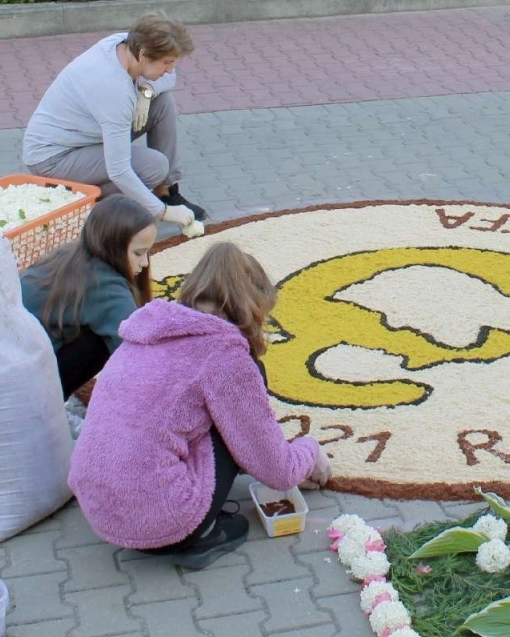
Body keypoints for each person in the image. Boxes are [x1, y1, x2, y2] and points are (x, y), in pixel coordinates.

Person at [68, 241, 334, 570]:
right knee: (243, 409)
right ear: (250, 306)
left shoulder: (149, 327)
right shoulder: (223, 353)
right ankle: (202, 531)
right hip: (164, 519)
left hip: (96, 505)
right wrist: (310, 453)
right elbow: (276, 471)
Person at [23, 14, 206, 233]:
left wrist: (146, 93)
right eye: (167, 62)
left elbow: (170, 78)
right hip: (53, 157)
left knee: (162, 101)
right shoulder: (113, 90)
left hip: (85, 136)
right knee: (154, 166)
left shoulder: (124, 43)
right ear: (143, 55)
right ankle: (78, 204)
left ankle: (166, 192)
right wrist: (162, 213)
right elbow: (118, 170)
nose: (170, 69)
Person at [19, 196, 156, 399]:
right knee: (102, 342)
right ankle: (48, 406)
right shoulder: (105, 285)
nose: (145, 263)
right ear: (113, 247)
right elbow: (137, 352)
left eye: (147, 253)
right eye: (138, 253)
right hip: (19, 386)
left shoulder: (69, 254)